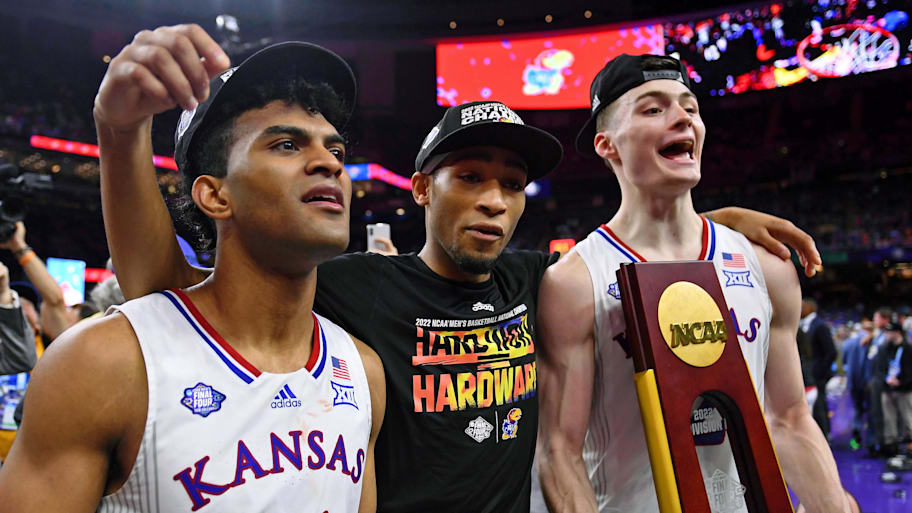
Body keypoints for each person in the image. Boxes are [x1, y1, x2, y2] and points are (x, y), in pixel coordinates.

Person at [92, 25, 823, 513]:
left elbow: (636, 244)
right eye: (469, 176)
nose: (494, 200)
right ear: (420, 188)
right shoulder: (352, 288)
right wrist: (122, 133)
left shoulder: (543, 280)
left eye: (510, 182)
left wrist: (717, 221)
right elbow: (170, 292)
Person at [0, 26, 384, 512]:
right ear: (215, 195)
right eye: (286, 145)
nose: (328, 164)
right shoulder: (101, 364)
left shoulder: (363, 371)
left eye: (335, 151)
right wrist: (120, 130)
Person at [536, 54, 851, 513]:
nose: (683, 117)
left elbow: (789, 418)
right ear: (608, 146)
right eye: (653, 108)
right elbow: (560, 453)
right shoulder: (574, 282)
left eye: (690, 107)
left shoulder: (766, 265)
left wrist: (833, 506)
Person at [873, 323, 912, 456]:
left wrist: (902, 382)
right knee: (889, 419)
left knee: (908, 419)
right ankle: (891, 446)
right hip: (888, 389)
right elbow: (879, 369)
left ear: (897, 332)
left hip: (905, 390)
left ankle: (909, 446)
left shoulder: (908, 348)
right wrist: (886, 379)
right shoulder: (884, 348)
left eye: (889, 332)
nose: (887, 334)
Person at [800, 298, 837, 438]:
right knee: (814, 407)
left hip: (817, 375)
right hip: (809, 375)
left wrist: (819, 371)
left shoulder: (820, 326)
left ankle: (824, 435)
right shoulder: (804, 325)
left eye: (802, 306)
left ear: (810, 308)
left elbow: (831, 352)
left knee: (820, 406)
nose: (799, 309)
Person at [842, 320, 875, 449]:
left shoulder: (848, 342)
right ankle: (871, 441)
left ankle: (856, 435)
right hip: (866, 381)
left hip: (853, 380)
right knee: (871, 410)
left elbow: (844, 360)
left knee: (857, 408)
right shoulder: (870, 341)